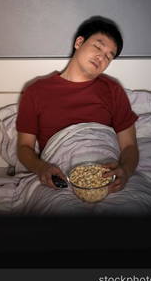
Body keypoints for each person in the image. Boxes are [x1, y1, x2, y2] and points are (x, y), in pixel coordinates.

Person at [16, 16, 139, 193]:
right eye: (98, 46)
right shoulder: (36, 91)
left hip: (106, 178)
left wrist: (125, 171)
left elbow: (129, 146)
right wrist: (41, 168)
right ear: (79, 42)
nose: (101, 57)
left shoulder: (113, 90)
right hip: (58, 177)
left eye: (108, 56)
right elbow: (24, 148)